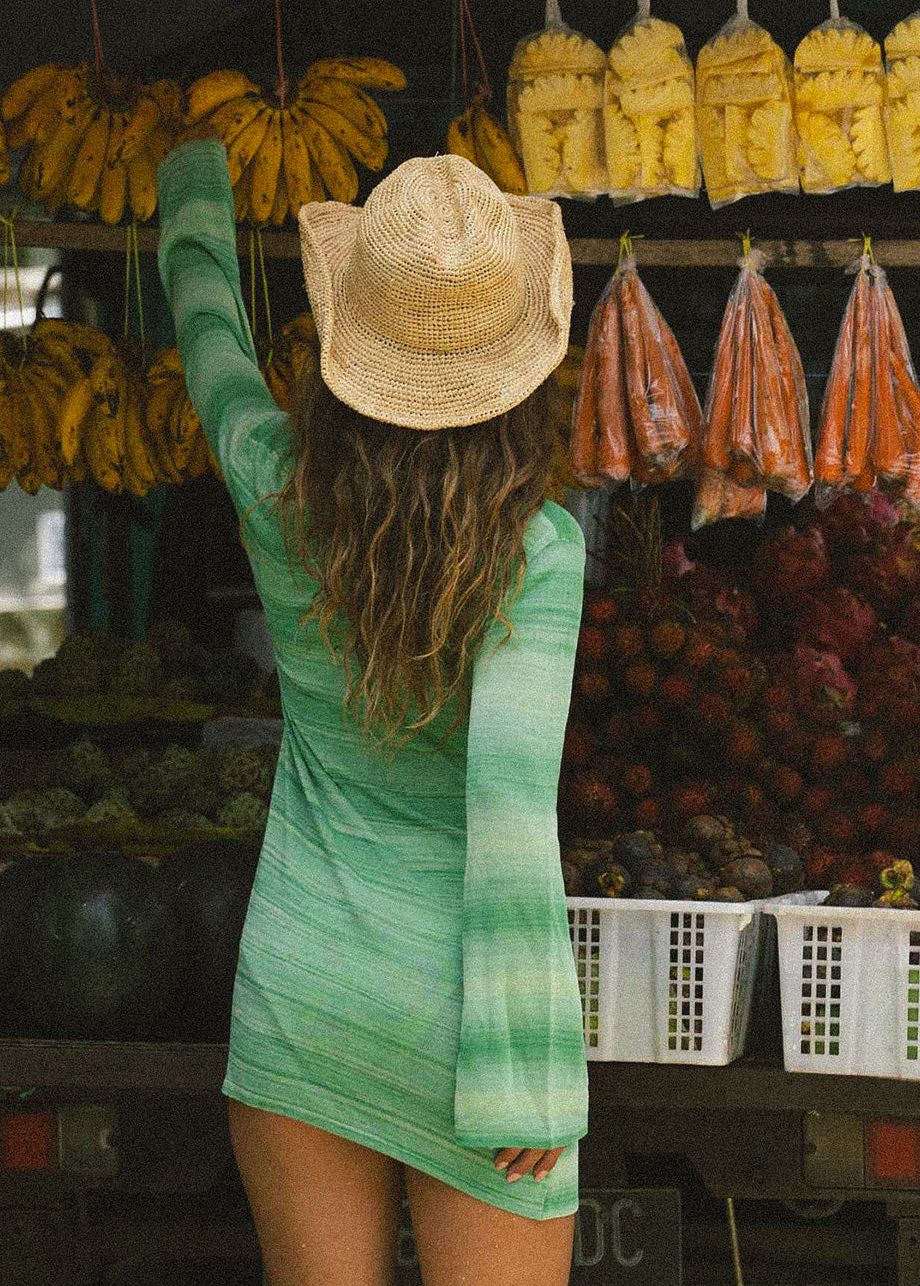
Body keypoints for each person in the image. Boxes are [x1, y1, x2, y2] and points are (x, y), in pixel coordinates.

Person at [156, 130, 589, 1286]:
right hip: (469, 1023)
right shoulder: (537, 553)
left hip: (306, 989)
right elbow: (507, 815)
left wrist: (192, 180)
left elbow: (209, 334)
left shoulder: (274, 486)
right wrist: (525, 1072)